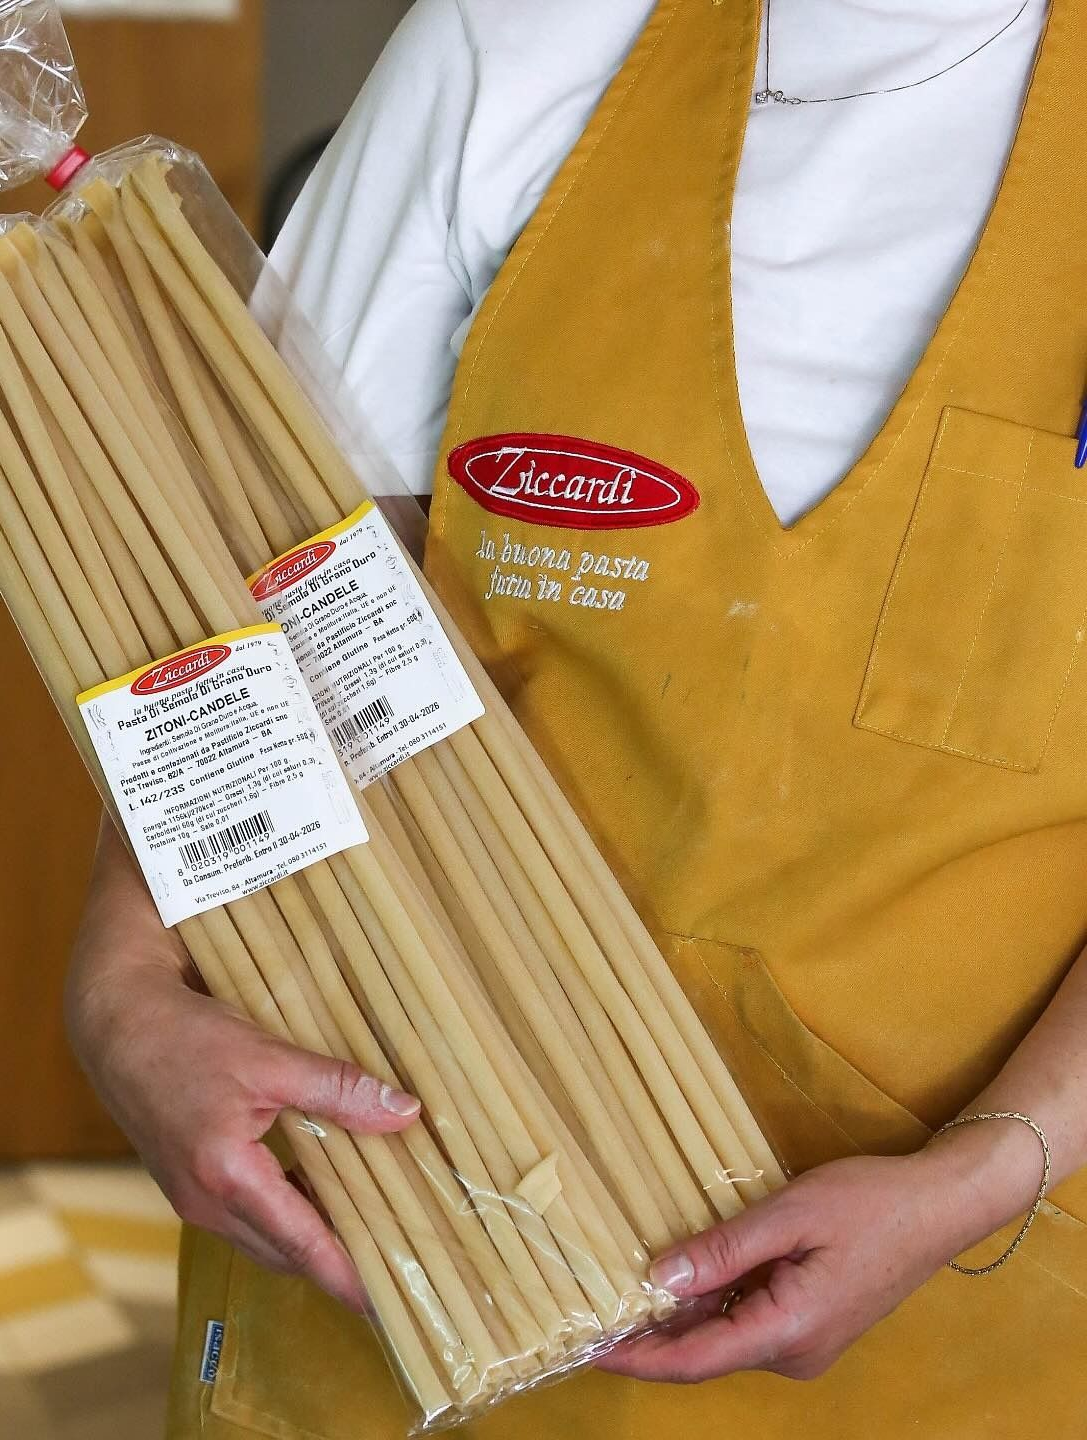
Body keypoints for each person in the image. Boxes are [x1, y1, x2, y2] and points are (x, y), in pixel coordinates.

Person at [67, 1, 1087, 1437]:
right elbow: (247, 573)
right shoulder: (528, 36)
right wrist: (123, 982)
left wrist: (979, 1174)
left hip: (961, 1297)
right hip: (408, 1237)